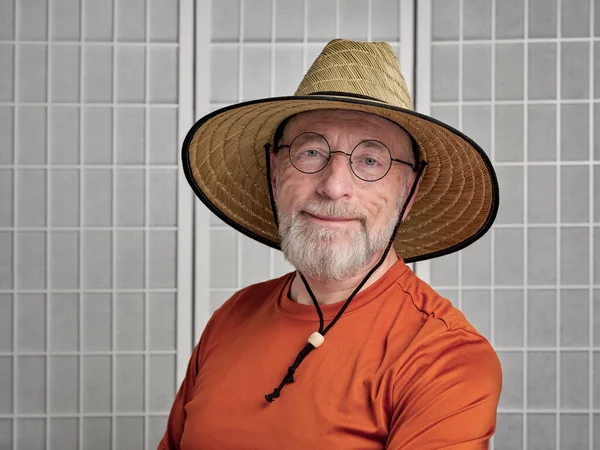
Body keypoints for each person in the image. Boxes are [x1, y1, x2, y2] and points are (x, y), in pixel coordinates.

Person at [159, 39, 501, 449]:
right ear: (275, 172)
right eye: (311, 152)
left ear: (409, 193)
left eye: (371, 161)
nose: (334, 186)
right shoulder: (231, 318)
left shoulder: (443, 355)